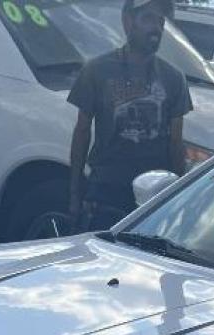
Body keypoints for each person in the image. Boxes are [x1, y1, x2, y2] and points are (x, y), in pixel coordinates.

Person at [67, 0, 192, 232]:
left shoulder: (174, 79)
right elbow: (82, 131)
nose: (156, 28)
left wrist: (175, 201)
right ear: (127, 22)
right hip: (105, 192)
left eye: (160, 21)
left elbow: (176, 143)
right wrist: (75, 193)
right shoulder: (96, 70)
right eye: (147, 19)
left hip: (151, 198)